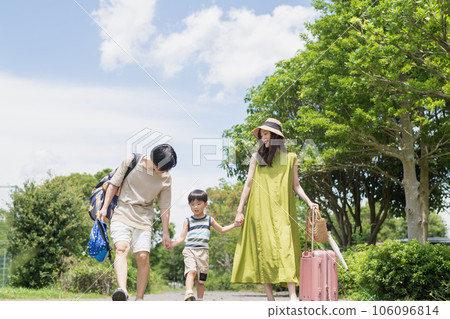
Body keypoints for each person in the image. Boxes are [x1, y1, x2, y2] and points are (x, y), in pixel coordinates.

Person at [231, 118, 319, 301]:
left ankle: (293, 296)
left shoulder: (291, 158)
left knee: (286, 247)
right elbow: (248, 185)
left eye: (266, 134)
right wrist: (240, 210)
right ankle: (270, 297)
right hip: (259, 209)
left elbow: (296, 186)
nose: (263, 138)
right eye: (262, 135)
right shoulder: (257, 158)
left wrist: (310, 202)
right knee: (264, 250)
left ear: (276, 136)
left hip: (283, 209)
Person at [98, 144, 177, 301]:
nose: (167, 171)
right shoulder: (132, 161)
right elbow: (113, 184)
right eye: (165, 168)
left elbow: (164, 207)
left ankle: (139, 298)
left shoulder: (166, 178)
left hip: (144, 217)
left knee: (142, 256)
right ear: (155, 161)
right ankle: (122, 290)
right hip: (122, 211)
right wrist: (104, 208)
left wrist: (166, 234)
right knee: (121, 248)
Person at [170, 189, 239, 301]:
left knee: (201, 281)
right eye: (192, 204)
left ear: (205, 204)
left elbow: (221, 229)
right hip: (190, 251)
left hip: (203, 253)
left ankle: (199, 300)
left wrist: (234, 225)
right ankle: (189, 293)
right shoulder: (188, 221)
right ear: (189, 206)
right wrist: (171, 244)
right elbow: (182, 238)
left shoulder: (209, 220)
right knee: (191, 271)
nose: (195, 207)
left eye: (198, 204)